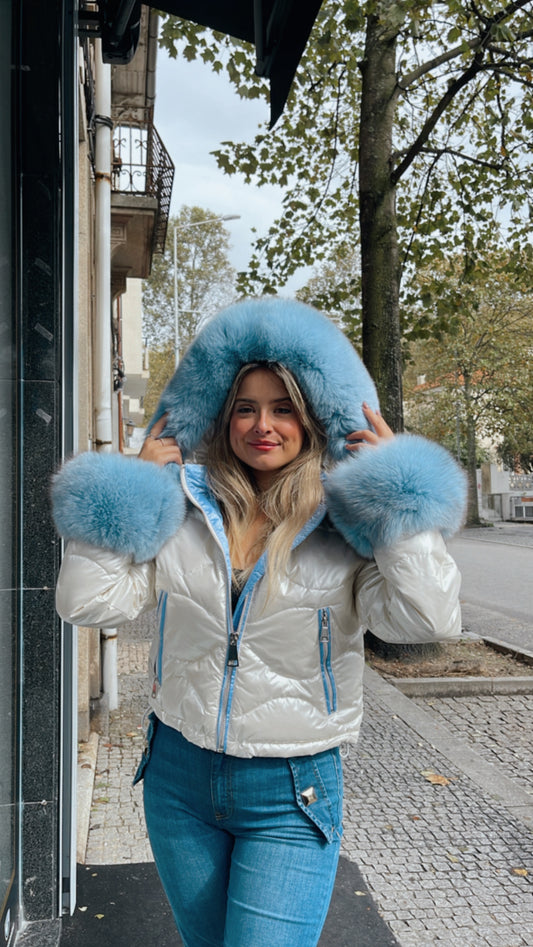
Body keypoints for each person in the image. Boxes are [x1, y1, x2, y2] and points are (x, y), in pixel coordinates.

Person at [52, 297, 466, 947]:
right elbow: (87, 602)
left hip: (291, 789)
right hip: (177, 781)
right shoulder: (181, 507)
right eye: (245, 406)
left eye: (282, 407)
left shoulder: (346, 521)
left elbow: (425, 617)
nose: (261, 424)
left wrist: (397, 500)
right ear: (221, 416)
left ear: (311, 418)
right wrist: (132, 488)